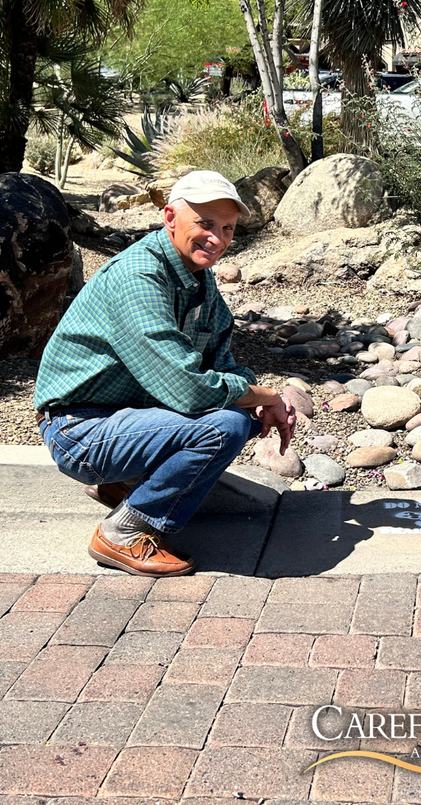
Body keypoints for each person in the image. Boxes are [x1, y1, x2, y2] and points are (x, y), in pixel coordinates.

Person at [34, 170, 296, 577]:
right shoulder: (138, 277)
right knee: (223, 425)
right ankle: (124, 531)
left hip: (126, 417)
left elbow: (218, 361)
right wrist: (265, 396)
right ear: (170, 217)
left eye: (227, 228)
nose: (218, 238)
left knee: (237, 415)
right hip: (78, 430)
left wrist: (257, 399)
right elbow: (188, 389)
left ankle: (126, 486)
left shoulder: (196, 277)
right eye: (205, 224)